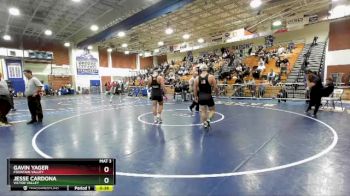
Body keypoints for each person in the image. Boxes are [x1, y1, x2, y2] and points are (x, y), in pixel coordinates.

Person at [194, 64, 219, 129]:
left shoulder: (197, 78)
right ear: (207, 69)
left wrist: (195, 97)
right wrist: (217, 94)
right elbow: (215, 87)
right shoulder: (211, 77)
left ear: (201, 70)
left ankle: (204, 123)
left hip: (201, 96)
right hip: (208, 96)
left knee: (203, 111)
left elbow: (195, 89)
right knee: (212, 110)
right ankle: (208, 120)